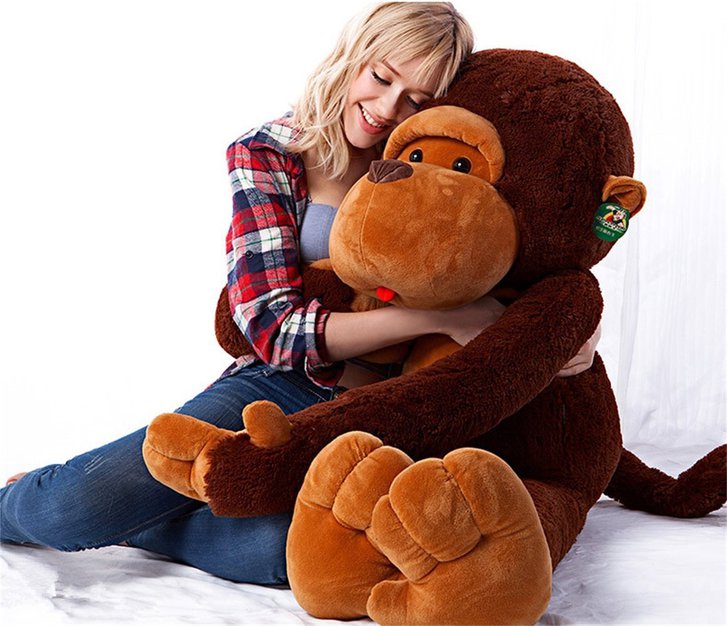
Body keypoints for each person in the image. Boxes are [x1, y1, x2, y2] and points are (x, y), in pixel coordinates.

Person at [0, 2, 599, 586]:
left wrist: (577, 329)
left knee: (292, 550)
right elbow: (270, 326)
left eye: (416, 99)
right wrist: (434, 318)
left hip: (394, 412)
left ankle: (143, 520)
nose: (387, 108)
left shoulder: (441, 160)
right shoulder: (269, 152)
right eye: (381, 77)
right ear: (352, 56)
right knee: (65, 512)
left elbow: (534, 251)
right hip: (283, 387)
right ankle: (51, 505)